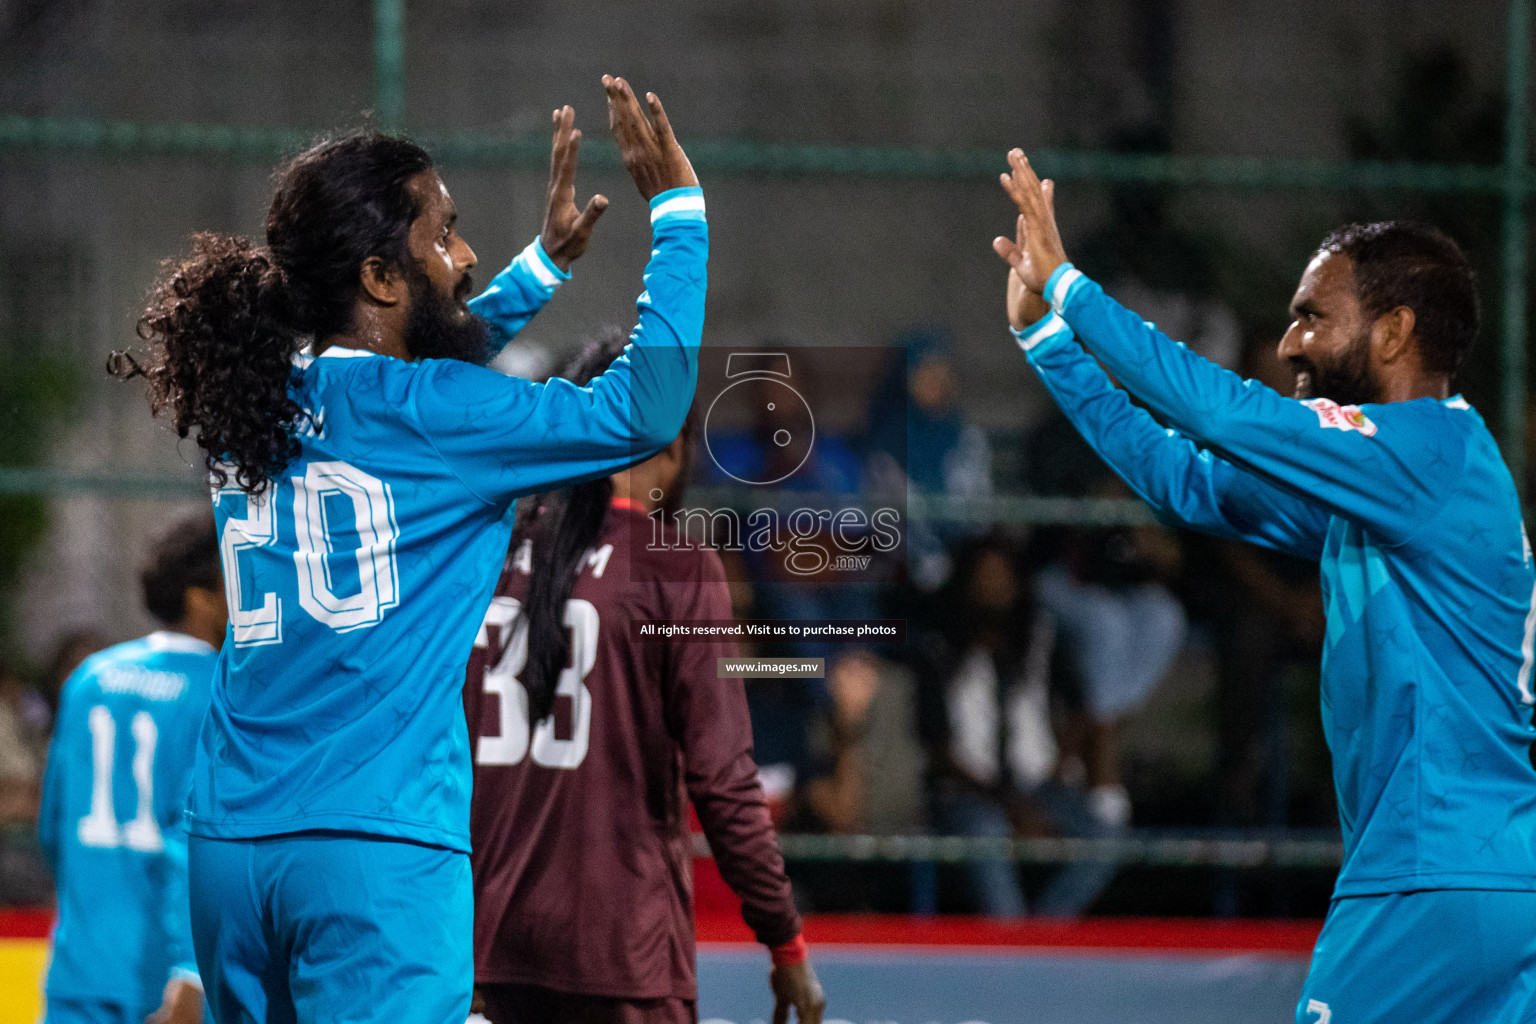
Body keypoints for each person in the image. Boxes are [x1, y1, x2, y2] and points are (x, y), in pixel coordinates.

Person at [116, 76, 705, 1024]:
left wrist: (543, 265)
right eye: (443, 234)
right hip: (373, 852)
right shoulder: (437, 416)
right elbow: (645, 409)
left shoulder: (250, 400)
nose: (466, 255)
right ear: (381, 279)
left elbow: (420, 369)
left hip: (231, 847)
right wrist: (680, 212)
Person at [994, 148, 1536, 1023]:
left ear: (1394, 332)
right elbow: (1187, 477)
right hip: (1492, 878)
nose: (1289, 343)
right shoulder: (1398, 488)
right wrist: (1047, 341)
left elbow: (1221, 413)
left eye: (1313, 317)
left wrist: (1069, 288)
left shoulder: (1426, 454)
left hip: (1429, 874)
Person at [465, 331, 824, 1024]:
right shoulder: (674, 566)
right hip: (618, 953)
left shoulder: (493, 554)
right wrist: (787, 945)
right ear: (671, 441)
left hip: (487, 950)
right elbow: (723, 782)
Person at [38, 511, 225, 1024]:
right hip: (164, 979)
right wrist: (191, 971)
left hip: (80, 968)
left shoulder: (90, 677)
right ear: (200, 597)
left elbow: (54, 823)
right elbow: (193, 843)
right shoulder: (220, 690)